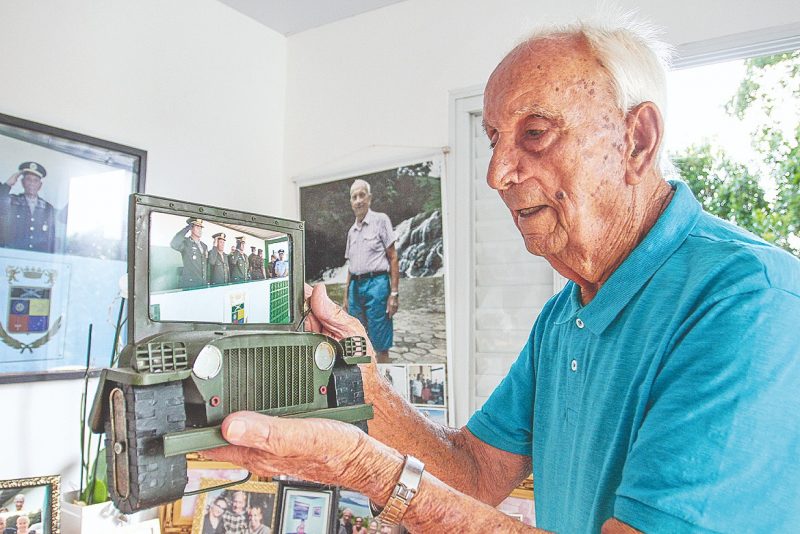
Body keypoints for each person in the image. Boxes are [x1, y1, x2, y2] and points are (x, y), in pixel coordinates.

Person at [204, 14, 800, 533]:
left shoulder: (751, 300)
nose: (497, 174)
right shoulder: (565, 314)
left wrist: (364, 468)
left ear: (636, 140)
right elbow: (473, 473)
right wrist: (364, 381)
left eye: (534, 134)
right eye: (493, 139)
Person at [342, 179, 400, 363]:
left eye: (362, 195)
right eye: (354, 197)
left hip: (377, 285)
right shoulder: (351, 231)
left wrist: (394, 294)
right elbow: (350, 268)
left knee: (380, 343)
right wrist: (345, 299)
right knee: (356, 342)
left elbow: (393, 257)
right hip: (355, 288)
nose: (358, 200)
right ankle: (364, 387)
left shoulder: (381, 220)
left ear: (370, 198)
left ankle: (383, 386)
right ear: (351, 203)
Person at [0, 162, 55, 253]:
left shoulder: (47, 208)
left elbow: (51, 238)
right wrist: (8, 184)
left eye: (35, 180)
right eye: (28, 179)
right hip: (13, 254)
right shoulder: (13, 201)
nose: (31, 183)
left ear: (40, 185)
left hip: (38, 256)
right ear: (22, 182)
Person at [170, 217, 208, 288]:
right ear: (191, 228)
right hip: (190, 284)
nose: (200, 230)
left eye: (201, 228)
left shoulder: (204, 246)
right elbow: (174, 244)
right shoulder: (186, 242)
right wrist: (186, 228)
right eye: (197, 227)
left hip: (202, 283)